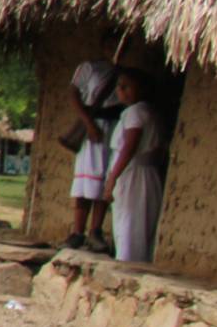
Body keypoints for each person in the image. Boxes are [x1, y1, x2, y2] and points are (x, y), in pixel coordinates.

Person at [102, 70, 166, 264]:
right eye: (119, 87)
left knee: (128, 222)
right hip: (148, 173)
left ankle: (127, 264)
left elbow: (129, 147)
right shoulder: (151, 112)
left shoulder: (134, 113)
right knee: (141, 222)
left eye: (126, 86)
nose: (121, 91)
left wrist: (112, 178)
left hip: (132, 174)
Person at [63, 61, 117, 254]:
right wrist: (88, 124)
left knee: (104, 179)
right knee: (86, 181)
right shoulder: (89, 68)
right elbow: (74, 95)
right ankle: (78, 232)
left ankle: (96, 231)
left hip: (112, 128)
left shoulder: (120, 72)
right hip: (92, 127)